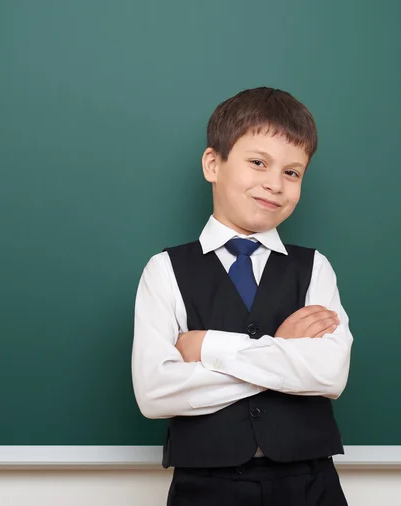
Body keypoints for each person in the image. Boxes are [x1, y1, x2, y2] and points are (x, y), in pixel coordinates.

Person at [132, 86, 353, 506]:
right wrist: (284, 351)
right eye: (258, 163)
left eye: (292, 172)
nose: (275, 184)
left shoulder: (314, 268)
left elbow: (328, 374)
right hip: (205, 486)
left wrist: (208, 346)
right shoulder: (164, 270)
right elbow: (155, 392)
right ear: (213, 164)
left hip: (310, 483)